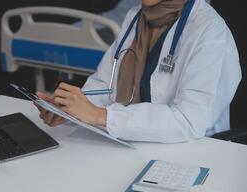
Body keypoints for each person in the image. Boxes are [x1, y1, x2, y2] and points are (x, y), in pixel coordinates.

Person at [35, 0, 241, 143]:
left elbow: (189, 121)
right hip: (134, 143)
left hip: (193, 150)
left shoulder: (209, 31)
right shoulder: (135, 17)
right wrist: (72, 110)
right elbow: (104, 85)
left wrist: (101, 116)